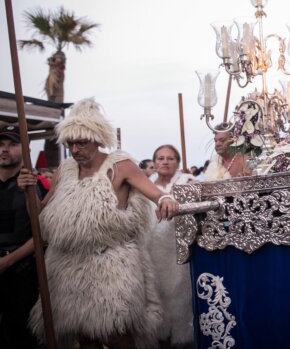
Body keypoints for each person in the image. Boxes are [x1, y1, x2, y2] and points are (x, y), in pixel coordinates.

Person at [18, 97, 180, 349]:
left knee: (117, 332)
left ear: (97, 138)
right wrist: (27, 191)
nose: (75, 150)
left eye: (81, 143)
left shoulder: (120, 165)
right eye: (71, 144)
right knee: (85, 337)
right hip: (69, 266)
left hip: (112, 263)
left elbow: (156, 193)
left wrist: (167, 199)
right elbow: (40, 218)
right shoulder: (65, 171)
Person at [146, 144, 194, 348]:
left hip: (180, 249)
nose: (165, 162)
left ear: (178, 162)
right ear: (154, 162)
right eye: (160, 158)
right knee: (157, 294)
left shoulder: (188, 182)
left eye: (170, 158)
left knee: (182, 296)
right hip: (152, 250)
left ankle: (185, 339)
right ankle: (160, 336)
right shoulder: (145, 185)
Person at [0, 125, 43, 348]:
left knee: (22, 335)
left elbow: (41, 232)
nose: (4, 150)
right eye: (1, 144)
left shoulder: (34, 184)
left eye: (12, 144)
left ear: (25, 149)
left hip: (21, 271)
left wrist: (8, 261)